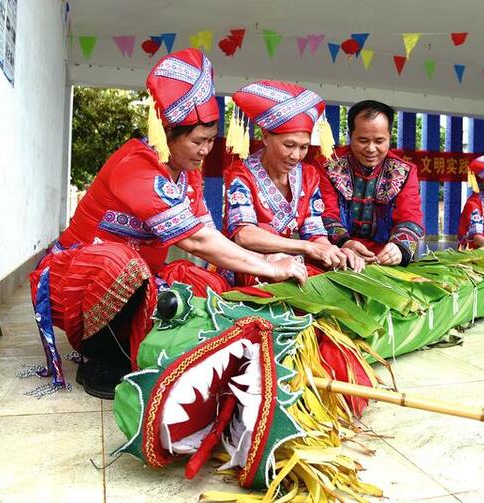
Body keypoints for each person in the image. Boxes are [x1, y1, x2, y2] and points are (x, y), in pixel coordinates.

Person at [28, 49, 307, 399]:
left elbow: (209, 234)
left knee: (202, 279)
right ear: (167, 133)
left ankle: (135, 347)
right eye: (198, 141)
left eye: (210, 140)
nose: (206, 150)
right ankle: (97, 356)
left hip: (137, 282)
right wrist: (269, 265)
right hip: (75, 281)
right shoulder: (135, 164)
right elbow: (195, 241)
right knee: (121, 263)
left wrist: (262, 267)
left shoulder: (188, 175)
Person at [222, 80, 363, 286]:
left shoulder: (308, 176)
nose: (296, 155)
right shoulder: (241, 174)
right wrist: (306, 247)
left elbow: (314, 233)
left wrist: (332, 251)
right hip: (247, 268)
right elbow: (244, 236)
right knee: (265, 229)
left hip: (289, 265)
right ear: (266, 137)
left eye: (304, 147)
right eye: (289, 145)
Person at [316, 100, 425, 266]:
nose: (371, 149)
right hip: (337, 257)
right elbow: (325, 213)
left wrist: (399, 248)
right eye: (363, 140)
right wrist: (343, 243)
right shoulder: (328, 167)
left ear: (389, 137)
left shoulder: (405, 171)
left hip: (385, 260)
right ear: (350, 135)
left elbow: (410, 215)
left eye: (379, 141)